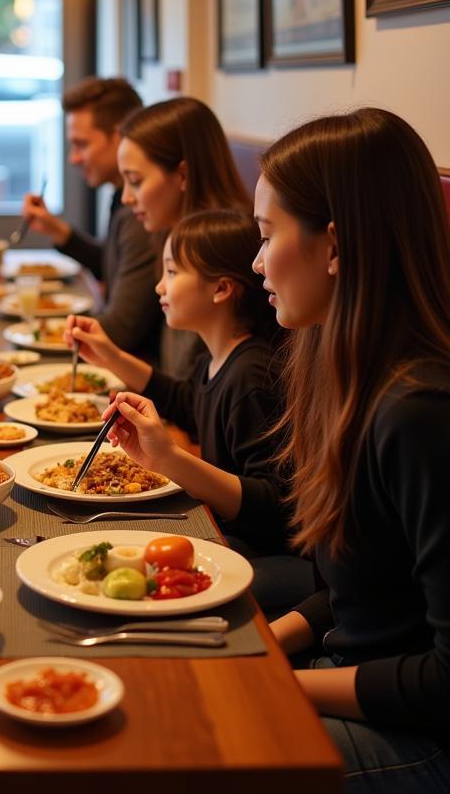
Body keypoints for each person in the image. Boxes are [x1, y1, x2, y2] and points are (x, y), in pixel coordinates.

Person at [254, 108, 450, 789]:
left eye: (267, 234)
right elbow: (360, 594)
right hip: (348, 680)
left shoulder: (420, 414)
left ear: (333, 247)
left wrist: (278, 686)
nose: (256, 262)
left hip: (420, 738)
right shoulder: (335, 372)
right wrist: (261, 646)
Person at [71, 209, 313, 614]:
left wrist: (169, 459)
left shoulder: (251, 376)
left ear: (220, 289)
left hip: (267, 551)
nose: (159, 285)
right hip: (228, 531)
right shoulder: (216, 357)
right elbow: (187, 401)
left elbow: (275, 509)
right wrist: (111, 356)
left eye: (172, 271)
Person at [20, 77, 159, 360]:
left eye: (81, 145)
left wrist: (36, 333)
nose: (74, 158)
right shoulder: (120, 197)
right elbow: (113, 266)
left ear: (121, 137)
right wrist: (57, 230)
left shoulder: (141, 214)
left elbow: (121, 330)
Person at [117, 96, 250, 376]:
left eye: (136, 181)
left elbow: (193, 398)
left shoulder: (223, 250)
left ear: (182, 175)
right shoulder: (170, 233)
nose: (126, 198)